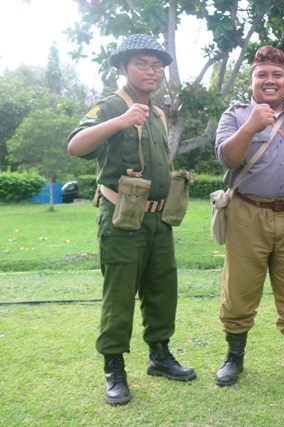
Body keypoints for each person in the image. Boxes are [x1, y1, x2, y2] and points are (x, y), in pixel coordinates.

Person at [68, 34, 196, 406]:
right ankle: (114, 369)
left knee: (162, 289)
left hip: (159, 220)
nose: (152, 71)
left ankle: (159, 355)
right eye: (142, 63)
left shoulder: (157, 112)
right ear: (124, 66)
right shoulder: (111, 106)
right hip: (122, 218)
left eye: (157, 65)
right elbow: (76, 146)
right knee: (120, 294)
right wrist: (121, 120)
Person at [214, 46, 284, 387]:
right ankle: (234, 357)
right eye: (262, 74)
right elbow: (227, 159)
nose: (270, 80)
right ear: (251, 80)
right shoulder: (234, 115)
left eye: (277, 75)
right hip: (247, 213)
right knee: (240, 289)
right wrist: (251, 125)